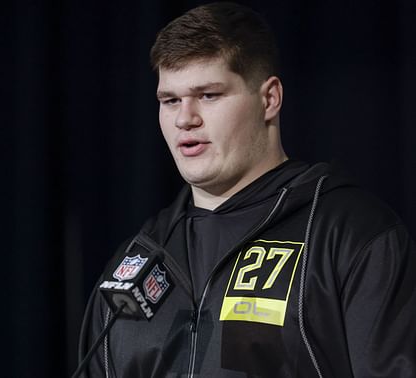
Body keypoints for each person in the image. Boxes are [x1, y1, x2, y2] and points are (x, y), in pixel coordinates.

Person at [79, 2, 416, 377]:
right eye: (170, 100)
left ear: (269, 99)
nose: (184, 118)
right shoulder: (138, 259)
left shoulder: (348, 233)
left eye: (209, 95)